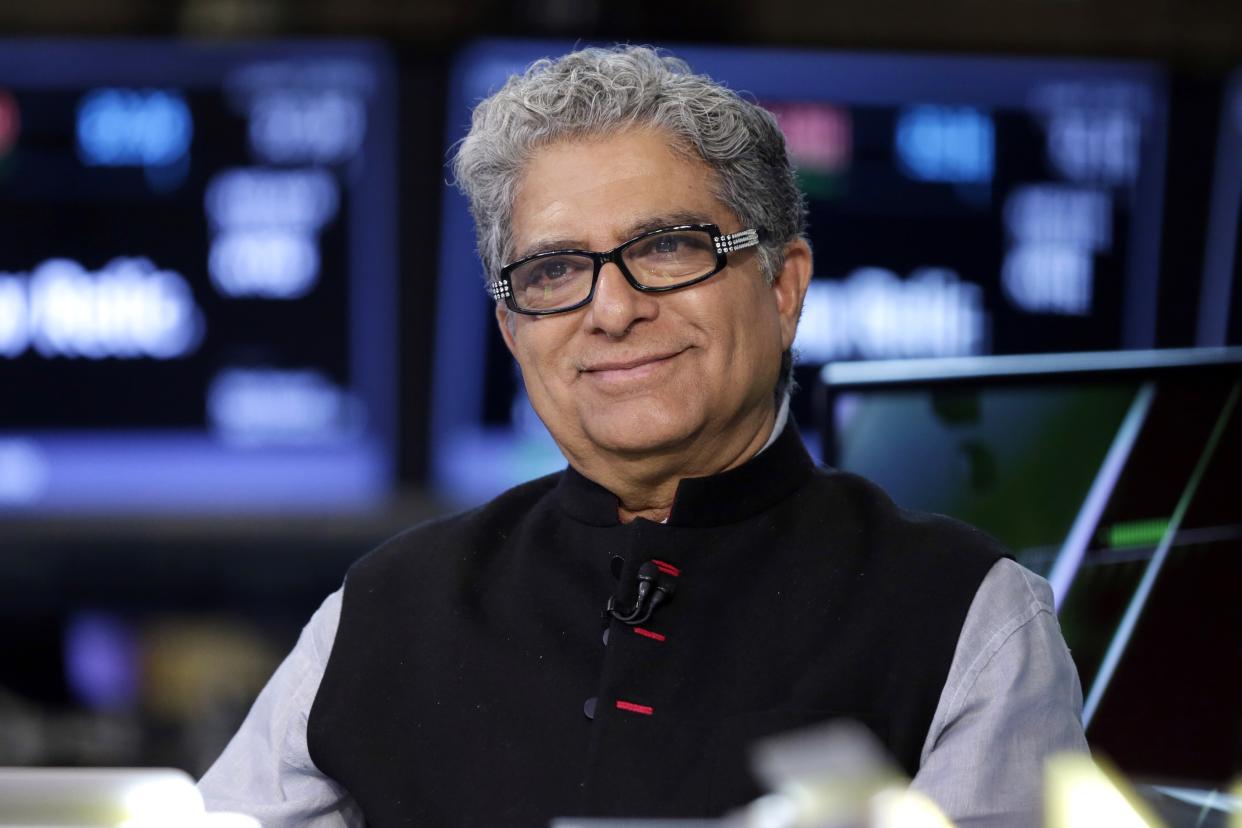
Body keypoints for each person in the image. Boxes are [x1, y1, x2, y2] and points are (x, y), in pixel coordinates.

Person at [199, 45, 1087, 827]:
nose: (614, 309)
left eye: (667, 247)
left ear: (783, 288)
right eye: (553, 270)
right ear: (514, 332)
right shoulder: (381, 609)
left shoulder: (972, 618)